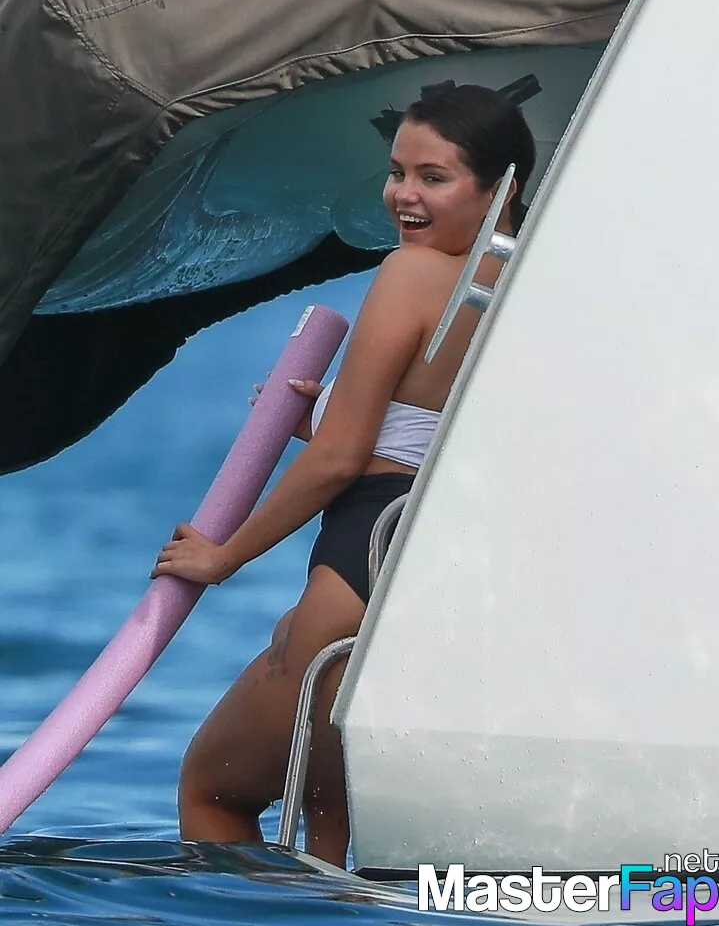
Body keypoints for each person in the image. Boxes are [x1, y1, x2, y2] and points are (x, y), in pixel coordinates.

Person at [151, 84, 536, 867]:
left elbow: (338, 462)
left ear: (501, 189)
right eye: (397, 172)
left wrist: (222, 557)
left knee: (211, 791)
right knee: (335, 847)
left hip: (356, 574)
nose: (403, 194)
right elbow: (442, 429)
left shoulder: (411, 272)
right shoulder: (530, 290)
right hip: (439, 579)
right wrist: (330, 412)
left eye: (433, 177)